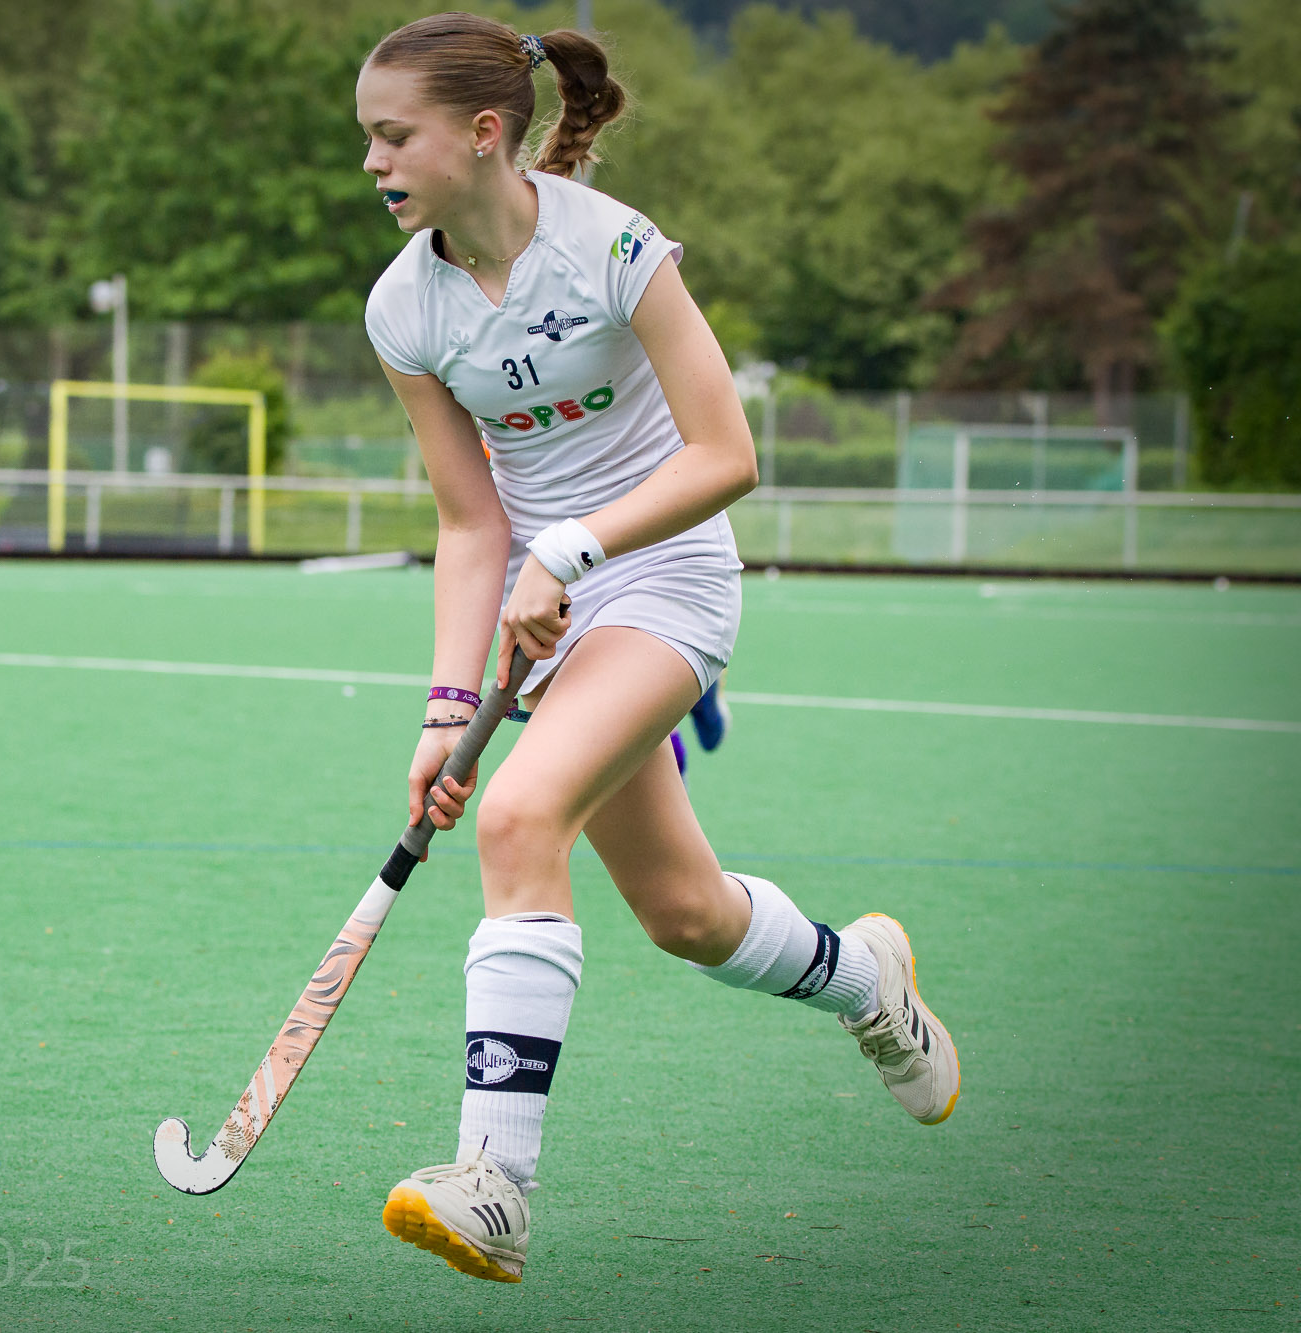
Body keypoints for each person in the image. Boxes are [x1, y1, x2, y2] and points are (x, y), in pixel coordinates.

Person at [356, 14, 957, 1285]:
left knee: (518, 818)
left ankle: (493, 1183)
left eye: (392, 135)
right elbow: (467, 524)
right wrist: (444, 705)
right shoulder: (403, 304)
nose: (371, 162)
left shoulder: (612, 248)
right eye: (366, 137)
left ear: (482, 133)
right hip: (543, 611)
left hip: (662, 577)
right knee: (684, 915)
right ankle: (864, 978)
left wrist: (569, 549)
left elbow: (726, 455)